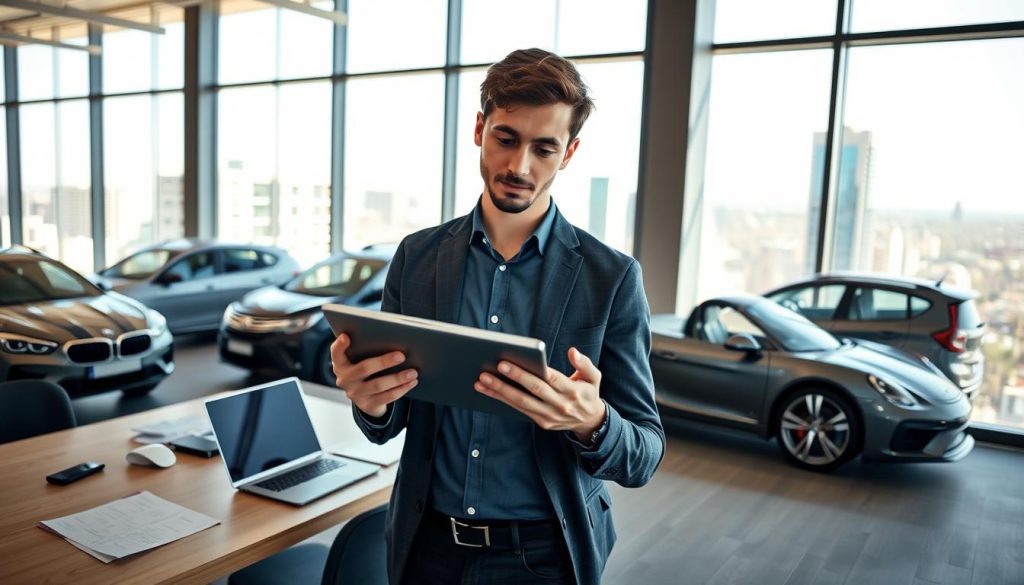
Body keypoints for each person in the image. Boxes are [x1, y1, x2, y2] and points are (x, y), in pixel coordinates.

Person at [330, 48, 665, 585]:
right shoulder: (417, 258)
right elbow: (388, 423)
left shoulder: (613, 277)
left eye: (544, 148)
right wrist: (369, 404)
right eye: (506, 139)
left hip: (544, 556)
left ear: (570, 153)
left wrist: (591, 421)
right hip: (425, 546)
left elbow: (644, 455)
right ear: (481, 128)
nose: (519, 167)